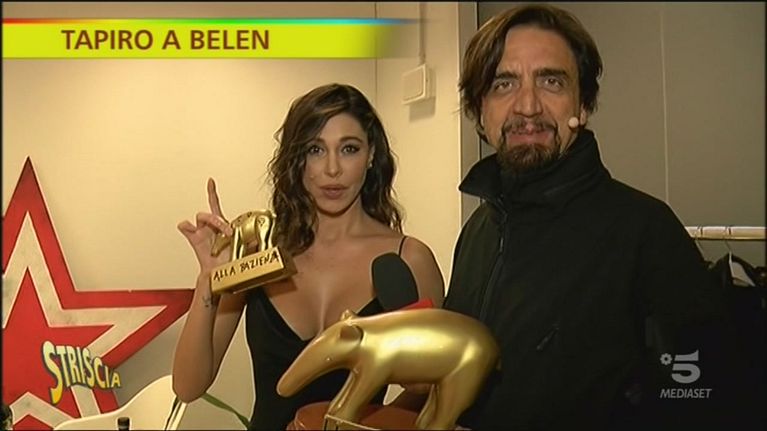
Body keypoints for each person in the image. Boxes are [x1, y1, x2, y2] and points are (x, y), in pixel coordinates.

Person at [396, 4, 748, 431]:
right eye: (504, 83)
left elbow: (705, 399)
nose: (528, 106)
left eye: (551, 81)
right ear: (480, 112)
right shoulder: (478, 231)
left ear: (582, 104)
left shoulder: (646, 232)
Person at [171, 83, 445, 431]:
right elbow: (188, 386)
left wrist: (361, 422)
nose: (332, 169)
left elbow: (433, 384)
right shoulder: (260, 251)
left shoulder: (409, 260)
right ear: (297, 159)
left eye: (349, 148)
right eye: (316, 149)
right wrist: (208, 281)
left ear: (371, 155)